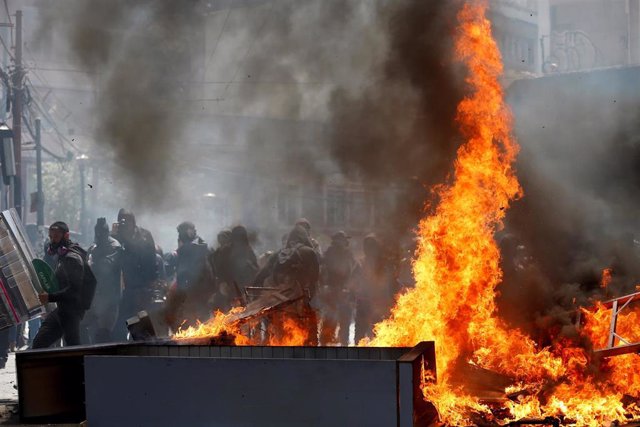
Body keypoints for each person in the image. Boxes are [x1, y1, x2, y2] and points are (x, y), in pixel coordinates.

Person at [254, 225, 320, 345]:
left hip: (275, 302)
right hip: (298, 302)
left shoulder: (278, 254)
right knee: (308, 333)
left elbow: (262, 275)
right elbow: (315, 277)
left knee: (276, 336)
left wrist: (254, 297)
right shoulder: (309, 252)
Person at [32, 222, 88, 348]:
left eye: (56, 237)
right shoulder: (62, 257)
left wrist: (50, 297)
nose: (52, 241)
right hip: (63, 310)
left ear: (66, 236)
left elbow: (74, 291)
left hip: (73, 312)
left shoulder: (72, 258)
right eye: (51, 237)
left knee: (73, 349)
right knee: (39, 344)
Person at [111, 209, 157, 341]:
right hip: (122, 287)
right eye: (122, 220)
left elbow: (151, 260)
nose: (125, 224)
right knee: (121, 323)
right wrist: (114, 236)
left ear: (133, 221)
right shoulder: (115, 237)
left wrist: (151, 281)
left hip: (140, 285)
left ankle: (147, 349)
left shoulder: (144, 235)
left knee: (140, 320)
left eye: (128, 220)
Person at [165, 222, 211, 330]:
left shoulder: (187, 250)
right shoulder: (203, 247)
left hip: (190, 296)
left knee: (190, 327)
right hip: (200, 296)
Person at [83, 218, 123, 343]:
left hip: (109, 299)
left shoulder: (115, 247)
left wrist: (92, 264)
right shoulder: (93, 248)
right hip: (93, 298)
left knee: (104, 335)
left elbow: (106, 266)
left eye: (101, 232)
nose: (99, 235)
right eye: (97, 232)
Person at [354, 234, 399, 343]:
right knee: (371, 331)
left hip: (375, 302)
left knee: (373, 331)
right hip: (370, 302)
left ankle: (360, 353)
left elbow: (391, 281)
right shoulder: (364, 263)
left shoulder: (364, 263)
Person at [319, 231, 358, 346]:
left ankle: (330, 342)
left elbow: (352, 272)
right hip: (336, 292)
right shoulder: (337, 253)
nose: (346, 242)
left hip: (340, 292)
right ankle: (329, 342)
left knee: (338, 320)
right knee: (334, 320)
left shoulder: (335, 253)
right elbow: (324, 272)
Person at [214, 225, 258, 303]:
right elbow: (221, 268)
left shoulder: (247, 249)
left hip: (246, 285)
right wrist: (222, 282)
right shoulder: (227, 250)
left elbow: (255, 267)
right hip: (232, 285)